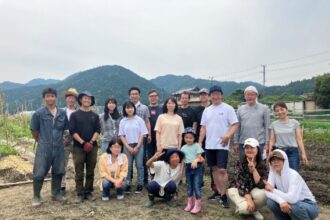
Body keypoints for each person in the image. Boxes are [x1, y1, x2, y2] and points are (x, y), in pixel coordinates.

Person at [198, 85, 238, 208]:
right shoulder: (207, 110)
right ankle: (219, 192)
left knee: (222, 170)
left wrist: (228, 136)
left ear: (221, 95)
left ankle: (223, 194)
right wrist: (200, 142)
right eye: (213, 94)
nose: (215, 96)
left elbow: (235, 124)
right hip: (209, 145)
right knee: (214, 169)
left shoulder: (228, 108)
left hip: (222, 145)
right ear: (210, 96)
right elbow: (203, 127)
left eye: (217, 94)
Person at [30, 88, 68, 207]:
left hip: (59, 147)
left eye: (52, 96)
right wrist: (41, 141)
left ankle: (56, 193)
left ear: (55, 98)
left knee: (58, 171)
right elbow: (34, 130)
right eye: (48, 96)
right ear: (44, 98)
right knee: (39, 173)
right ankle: (36, 196)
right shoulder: (39, 113)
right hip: (44, 148)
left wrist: (64, 141)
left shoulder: (62, 113)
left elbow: (65, 129)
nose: (50, 98)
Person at [265, 150, 319, 220]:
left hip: (308, 205)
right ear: (270, 163)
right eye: (273, 160)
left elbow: (292, 199)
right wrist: (281, 201)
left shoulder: (293, 174)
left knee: (294, 206)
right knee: (271, 202)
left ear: (285, 161)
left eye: (279, 159)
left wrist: (273, 190)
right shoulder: (273, 173)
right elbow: (267, 191)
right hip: (289, 202)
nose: (276, 162)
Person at [69, 91, 101, 203]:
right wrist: (83, 143)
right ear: (81, 100)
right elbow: (72, 131)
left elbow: (98, 130)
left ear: (91, 101)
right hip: (78, 147)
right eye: (85, 98)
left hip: (92, 146)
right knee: (79, 170)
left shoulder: (95, 116)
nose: (87, 100)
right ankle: (80, 193)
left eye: (89, 99)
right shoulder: (74, 115)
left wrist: (91, 142)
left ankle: (88, 191)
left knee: (90, 170)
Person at [228, 138, 268, 220]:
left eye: (252, 147)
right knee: (244, 209)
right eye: (247, 148)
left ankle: (254, 209)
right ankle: (246, 207)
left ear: (257, 149)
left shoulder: (262, 164)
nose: (249, 150)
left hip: (253, 189)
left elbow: (261, 185)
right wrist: (249, 199)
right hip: (237, 189)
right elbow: (240, 184)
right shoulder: (240, 162)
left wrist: (253, 170)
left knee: (264, 194)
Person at [269, 102, 308, 172]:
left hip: (292, 152)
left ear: (286, 110)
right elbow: (272, 140)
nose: (280, 112)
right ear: (275, 113)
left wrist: (303, 154)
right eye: (277, 111)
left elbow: (299, 139)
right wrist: (270, 153)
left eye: (282, 109)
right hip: (279, 153)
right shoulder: (274, 124)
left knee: (294, 173)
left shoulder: (294, 123)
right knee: (280, 173)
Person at [119, 101, 148, 194]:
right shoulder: (123, 121)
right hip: (127, 145)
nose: (129, 109)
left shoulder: (139, 120)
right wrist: (128, 147)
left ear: (134, 109)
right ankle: (127, 183)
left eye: (131, 107)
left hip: (138, 144)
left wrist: (137, 147)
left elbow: (142, 134)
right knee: (128, 166)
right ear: (125, 109)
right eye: (127, 108)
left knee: (139, 165)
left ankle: (140, 184)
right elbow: (121, 135)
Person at [233, 86, 270, 157]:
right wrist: (235, 142)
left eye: (252, 94)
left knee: (258, 164)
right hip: (243, 143)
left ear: (256, 95)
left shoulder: (264, 108)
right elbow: (237, 127)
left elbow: (267, 127)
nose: (250, 96)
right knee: (244, 164)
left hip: (259, 142)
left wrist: (267, 143)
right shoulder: (240, 109)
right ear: (245, 96)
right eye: (248, 94)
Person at [195, 88, 217, 199]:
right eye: (201, 95)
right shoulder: (197, 109)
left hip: (213, 140)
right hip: (201, 140)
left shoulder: (213, 108)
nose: (203, 97)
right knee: (199, 161)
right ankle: (199, 182)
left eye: (205, 95)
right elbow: (196, 125)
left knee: (213, 164)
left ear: (208, 96)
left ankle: (214, 186)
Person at [129, 87, 151, 185]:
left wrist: (149, 134)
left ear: (139, 95)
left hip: (142, 137)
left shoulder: (144, 107)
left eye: (136, 94)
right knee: (129, 160)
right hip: (130, 138)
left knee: (142, 159)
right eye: (132, 94)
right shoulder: (127, 107)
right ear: (129, 96)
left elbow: (147, 121)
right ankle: (129, 179)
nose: (134, 95)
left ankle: (144, 180)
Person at [181, 127, 204, 214]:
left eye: (190, 138)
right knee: (189, 187)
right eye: (186, 137)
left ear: (194, 138)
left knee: (196, 186)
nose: (188, 139)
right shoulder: (183, 148)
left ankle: (197, 205)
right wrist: (181, 171)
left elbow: (199, 157)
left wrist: (195, 161)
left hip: (197, 168)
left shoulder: (197, 145)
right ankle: (190, 203)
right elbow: (183, 160)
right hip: (188, 168)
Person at [61, 88, 79, 195]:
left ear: (76, 100)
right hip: (64, 143)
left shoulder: (79, 111)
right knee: (62, 164)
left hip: (77, 142)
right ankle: (62, 186)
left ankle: (79, 184)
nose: (71, 100)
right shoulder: (61, 111)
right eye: (69, 97)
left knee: (78, 164)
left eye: (73, 98)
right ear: (66, 99)